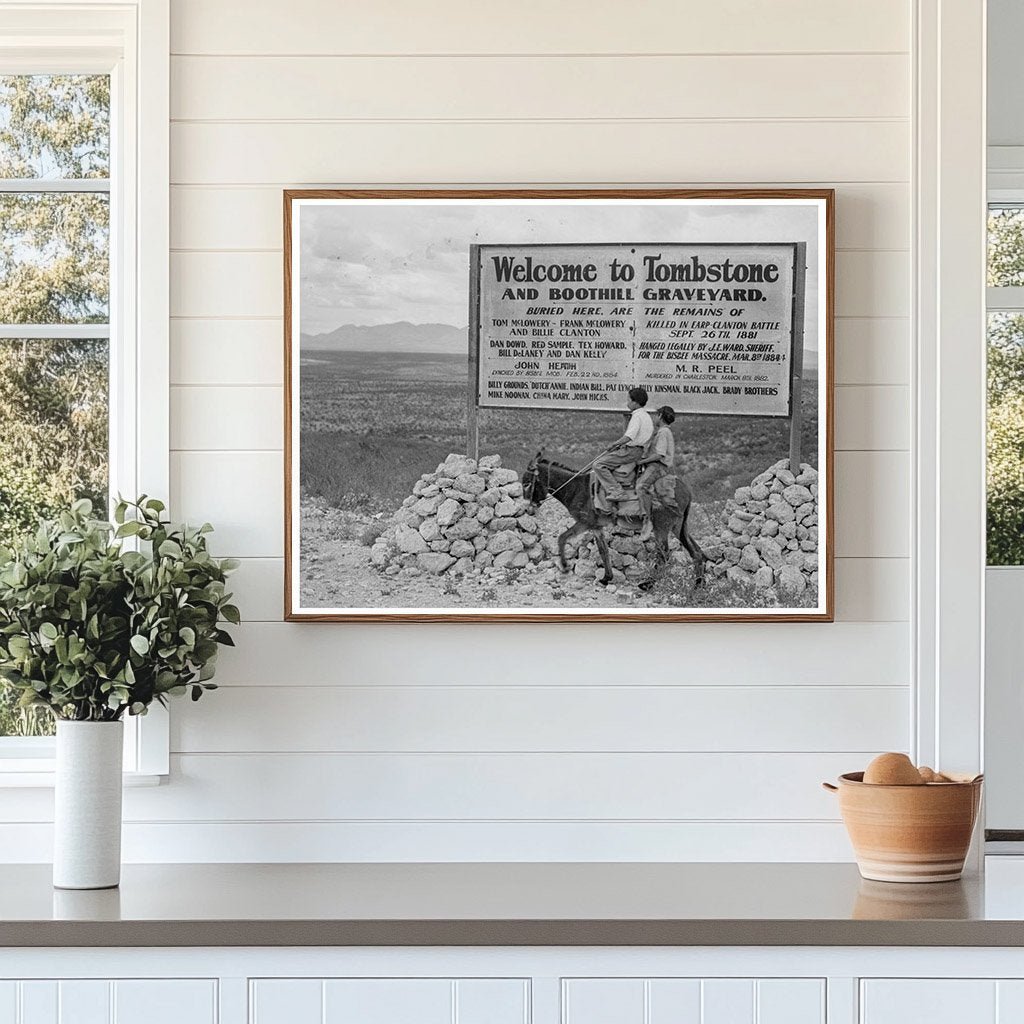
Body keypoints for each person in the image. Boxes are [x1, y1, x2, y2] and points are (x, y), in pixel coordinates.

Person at [592, 387, 654, 501]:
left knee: (598, 464)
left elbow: (629, 436)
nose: (627, 403)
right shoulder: (646, 416)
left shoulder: (637, 416)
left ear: (635, 402)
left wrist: (614, 444)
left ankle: (617, 491)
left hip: (631, 451)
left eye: (629, 400)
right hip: (638, 450)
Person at [636, 405, 677, 541]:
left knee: (641, 486)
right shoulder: (663, 431)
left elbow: (659, 454)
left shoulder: (663, 432)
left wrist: (642, 461)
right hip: (656, 465)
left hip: (658, 467)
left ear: (660, 416)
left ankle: (647, 521)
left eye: (656, 415)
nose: (655, 418)